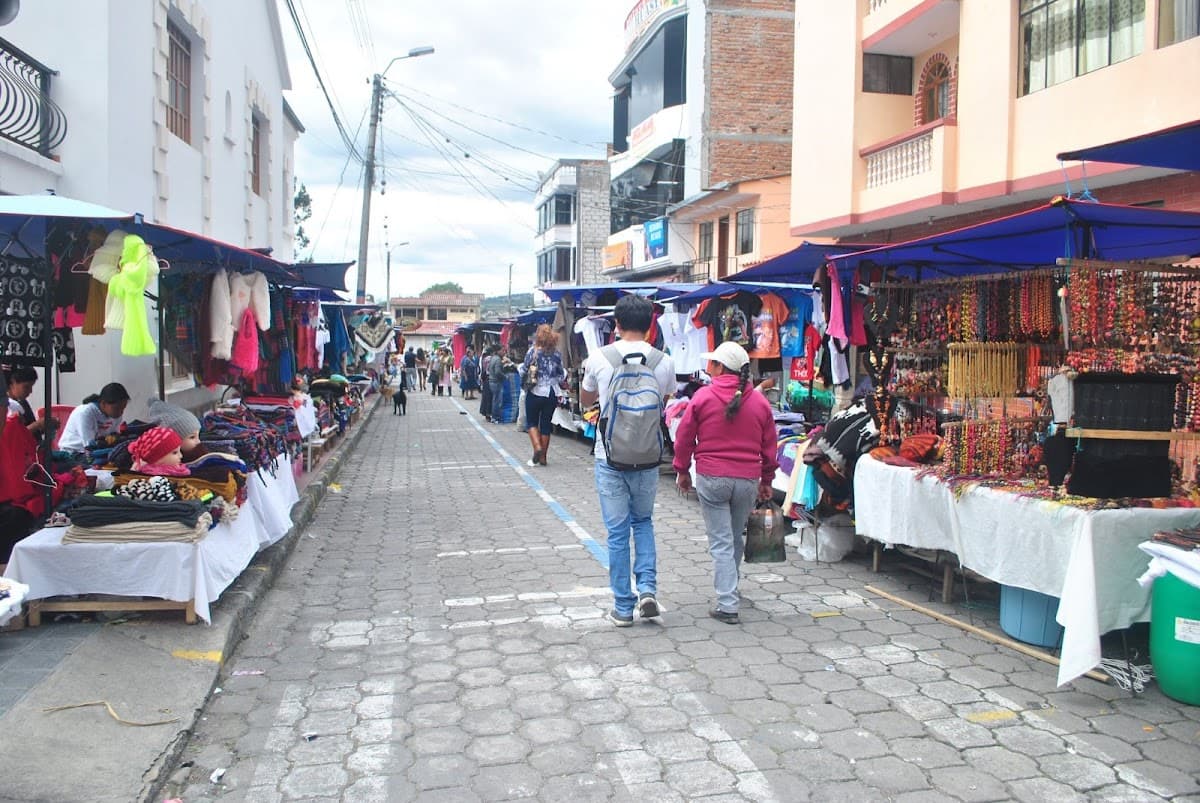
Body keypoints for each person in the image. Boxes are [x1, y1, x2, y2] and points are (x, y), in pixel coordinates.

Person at [580, 295, 675, 627]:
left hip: (609, 456)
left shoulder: (599, 358)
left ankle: (623, 607)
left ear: (616, 325)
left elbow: (587, 397)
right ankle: (647, 588)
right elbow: (663, 400)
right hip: (648, 456)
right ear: (651, 326)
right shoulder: (663, 361)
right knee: (643, 522)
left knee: (617, 533)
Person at [673, 341, 779, 625]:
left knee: (721, 541)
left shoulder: (703, 397)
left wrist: (682, 470)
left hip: (712, 478)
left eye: (712, 363)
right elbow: (770, 446)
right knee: (733, 537)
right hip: (747, 479)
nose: (709, 367)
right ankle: (730, 588)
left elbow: (684, 437)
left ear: (720, 367)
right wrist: (767, 479)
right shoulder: (759, 402)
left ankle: (727, 603)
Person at [519, 325, 567, 467]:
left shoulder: (532, 352)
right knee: (546, 424)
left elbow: (523, 371)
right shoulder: (557, 354)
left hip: (535, 391)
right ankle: (543, 458)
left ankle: (537, 448)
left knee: (532, 422)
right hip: (551, 393)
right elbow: (561, 375)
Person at [58, 382, 130, 453]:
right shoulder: (85, 413)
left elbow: (113, 437)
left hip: (96, 450)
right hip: (73, 452)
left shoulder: (116, 415)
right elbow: (89, 446)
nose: (121, 412)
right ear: (103, 403)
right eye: (117, 408)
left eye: (123, 408)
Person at [4, 366, 51, 437]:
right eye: (26, 387)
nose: (30, 391)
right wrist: (37, 425)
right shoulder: (7, 406)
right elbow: (13, 436)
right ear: (13, 382)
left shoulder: (23, 403)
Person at [478, 346, 496, 422]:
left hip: (485, 379)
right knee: (489, 397)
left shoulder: (483, 359)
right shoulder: (490, 359)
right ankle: (489, 414)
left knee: (485, 397)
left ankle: (486, 413)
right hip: (490, 379)